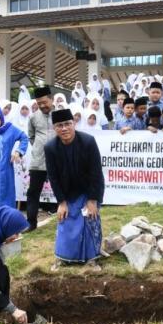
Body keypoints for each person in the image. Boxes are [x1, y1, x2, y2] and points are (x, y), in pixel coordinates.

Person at [44, 109, 104, 271]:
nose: (64, 128)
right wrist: (61, 202)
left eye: (67, 124)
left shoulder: (88, 142)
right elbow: (53, 177)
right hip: (67, 191)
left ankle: (92, 258)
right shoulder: (50, 147)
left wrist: (92, 200)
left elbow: (96, 172)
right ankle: (64, 258)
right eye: (59, 125)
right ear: (54, 128)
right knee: (66, 219)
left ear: (74, 124)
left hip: (89, 188)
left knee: (89, 218)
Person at [25, 86, 55, 232]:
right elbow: (31, 136)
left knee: (66, 190)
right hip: (38, 161)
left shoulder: (61, 114)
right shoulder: (33, 117)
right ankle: (31, 223)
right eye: (39, 103)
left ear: (51, 99)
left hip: (58, 161)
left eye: (44, 102)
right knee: (33, 192)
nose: (42, 105)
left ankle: (70, 220)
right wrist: (40, 147)